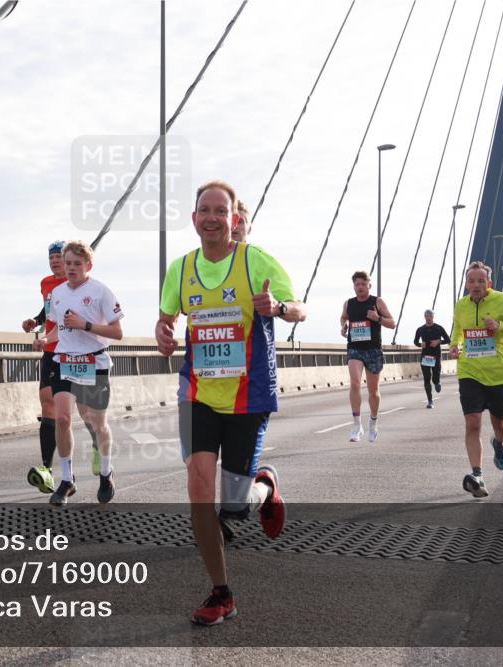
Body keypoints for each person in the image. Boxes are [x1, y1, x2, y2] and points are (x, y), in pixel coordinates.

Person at [155, 180, 306, 626]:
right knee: (198, 491)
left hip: (248, 394)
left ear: (234, 219)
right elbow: (166, 319)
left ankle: (267, 486)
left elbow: (301, 308)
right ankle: (221, 593)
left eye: (221, 211)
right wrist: (163, 334)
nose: (213, 217)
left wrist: (277, 308)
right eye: (205, 210)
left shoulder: (254, 259)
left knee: (234, 508)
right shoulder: (181, 269)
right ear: (194, 217)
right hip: (198, 394)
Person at [32, 241, 124, 506]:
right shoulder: (58, 293)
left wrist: (85, 325)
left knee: (96, 421)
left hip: (94, 362)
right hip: (65, 361)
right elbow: (62, 329)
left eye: (76, 264)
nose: (71, 268)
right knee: (62, 418)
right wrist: (44, 339)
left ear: (88, 266)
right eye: (68, 263)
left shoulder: (100, 291)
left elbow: (117, 333)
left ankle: (106, 473)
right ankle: (67, 479)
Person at [449, 261, 503, 498]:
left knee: (499, 423)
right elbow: (457, 328)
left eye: (480, 281)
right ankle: (477, 475)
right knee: (473, 422)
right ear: (466, 284)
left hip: (498, 373)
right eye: (471, 281)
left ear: (489, 283)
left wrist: (500, 326)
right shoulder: (461, 306)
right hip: (470, 371)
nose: (475, 285)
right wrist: (454, 345)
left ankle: (499, 444)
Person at [21, 242, 67, 494]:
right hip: (49, 348)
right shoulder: (46, 283)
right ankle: (47, 469)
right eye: (51, 257)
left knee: (82, 412)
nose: (54, 261)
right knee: (46, 401)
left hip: (72, 349)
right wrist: (35, 322)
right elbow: (48, 311)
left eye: (59, 256)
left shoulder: (76, 284)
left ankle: (100, 456)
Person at [340, 271, 396, 442]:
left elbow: (392, 323)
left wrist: (377, 318)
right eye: (357, 284)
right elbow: (343, 318)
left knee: (373, 391)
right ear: (354, 286)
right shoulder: (349, 303)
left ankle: (373, 421)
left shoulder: (376, 302)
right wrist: (344, 327)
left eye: (363, 284)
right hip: (355, 349)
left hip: (373, 350)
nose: (360, 287)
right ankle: (357, 425)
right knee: (355, 384)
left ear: (369, 286)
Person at [413, 309, 450, 408]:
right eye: (427, 316)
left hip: (436, 356)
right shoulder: (420, 329)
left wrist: (438, 342)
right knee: (426, 379)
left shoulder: (438, 328)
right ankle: (430, 401)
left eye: (430, 316)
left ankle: (437, 382)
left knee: (435, 378)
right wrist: (421, 344)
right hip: (425, 356)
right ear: (424, 317)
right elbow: (415, 342)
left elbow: (448, 339)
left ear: (433, 317)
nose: (428, 318)